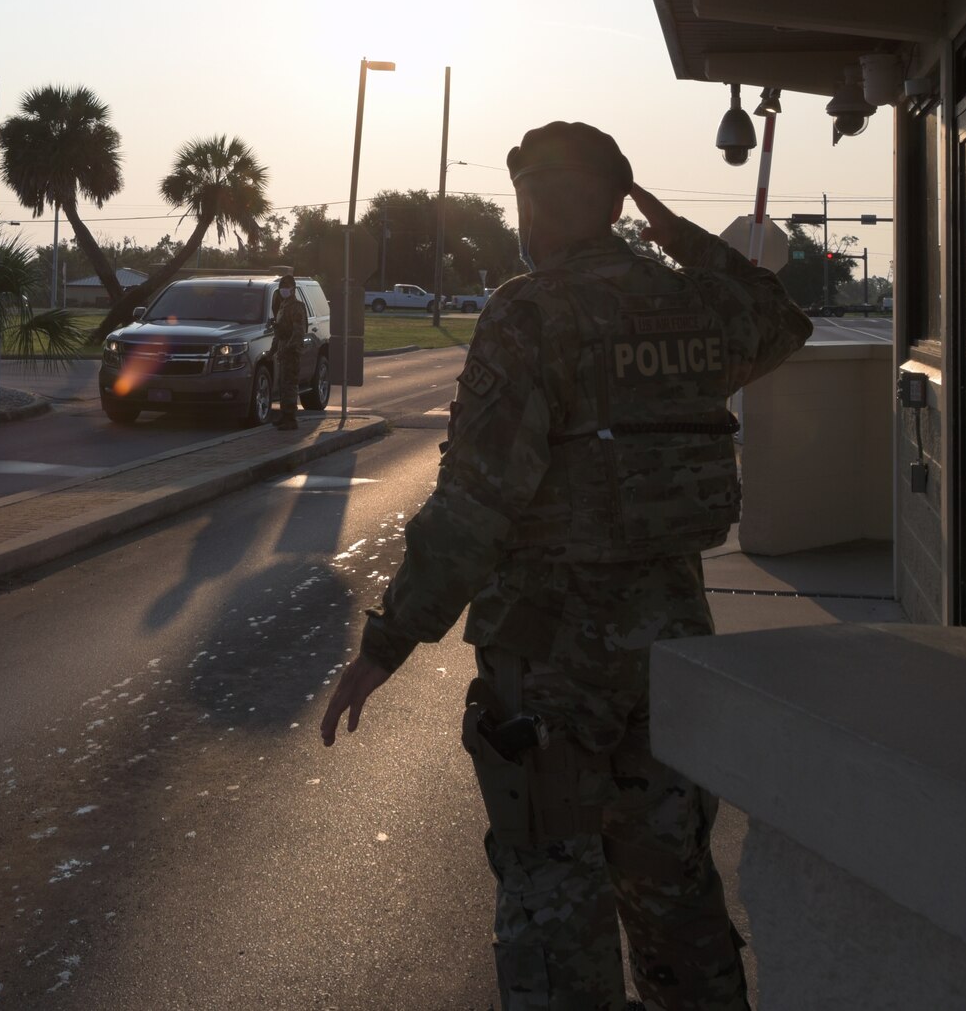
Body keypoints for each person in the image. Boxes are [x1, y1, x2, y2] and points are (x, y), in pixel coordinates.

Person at [319, 121, 811, 1010]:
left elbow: (476, 503)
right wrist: (676, 235)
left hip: (551, 659)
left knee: (553, 894)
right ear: (622, 203)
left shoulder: (530, 311)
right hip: (672, 650)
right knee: (675, 883)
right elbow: (783, 317)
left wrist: (387, 642)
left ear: (535, 203)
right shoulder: (694, 305)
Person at [270, 271, 306, 431]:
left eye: (286, 286)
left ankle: (291, 419)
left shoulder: (296, 307)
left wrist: (289, 348)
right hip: (283, 349)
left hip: (291, 352)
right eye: (281, 286)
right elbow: (280, 331)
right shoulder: (282, 306)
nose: (283, 289)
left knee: (290, 385)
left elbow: (298, 332)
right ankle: (284, 415)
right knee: (282, 384)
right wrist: (273, 349)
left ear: (293, 288)